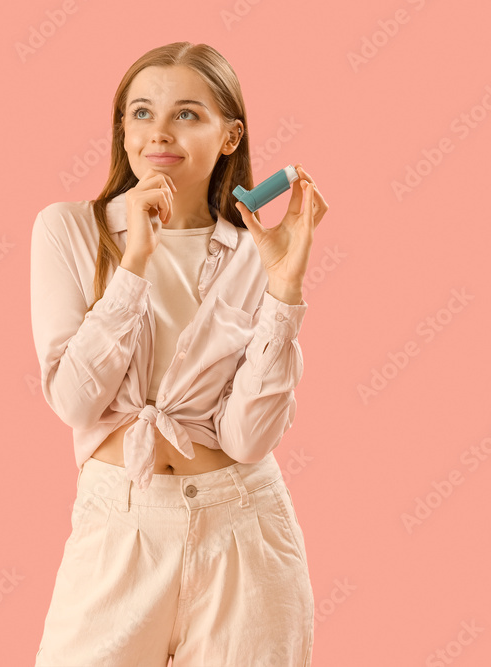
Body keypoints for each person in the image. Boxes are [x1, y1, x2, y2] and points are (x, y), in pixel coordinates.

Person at [30, 41, 329, 667]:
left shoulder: (255, 251)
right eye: (141, 113)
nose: (159, 133)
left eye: (187, 114)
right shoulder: (70, 230)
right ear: (122, 129)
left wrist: (284, 290)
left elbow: (247, 439)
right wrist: (134, 261)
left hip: (246, 534)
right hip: (121, 529)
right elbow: (75, 400)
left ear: (230, 135)